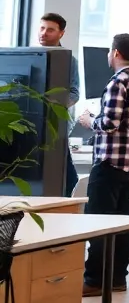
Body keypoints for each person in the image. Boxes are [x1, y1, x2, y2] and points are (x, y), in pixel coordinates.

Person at [75, 33, 129, 296]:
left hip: (110, 161)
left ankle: (94, 280)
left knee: (98, 222)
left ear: (116, 53)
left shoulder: (118, 83)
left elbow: (109, 124)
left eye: (109, 51)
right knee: (122, 222)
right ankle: (118, 278)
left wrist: (88, 121)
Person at [38, 12, 80, 197]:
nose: (44, 33)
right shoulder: (32, 55)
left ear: (61, 33)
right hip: (33, 126)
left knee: (67, 179)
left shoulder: (68, 60)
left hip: (56, 127)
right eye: (42, 28)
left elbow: (74, 93)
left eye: (50, 30)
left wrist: (52, 105)